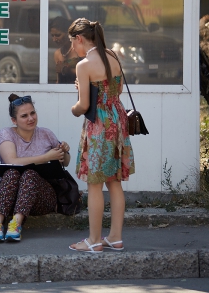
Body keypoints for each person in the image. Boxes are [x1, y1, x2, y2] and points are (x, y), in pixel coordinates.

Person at [69, 18, 135, 253]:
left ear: (79, 38)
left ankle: (94, 240)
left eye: (72, 43)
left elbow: (84, 105)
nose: (73, 49)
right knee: (114, 181)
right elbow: (111, 92)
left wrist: (74, 106)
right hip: (118, 120)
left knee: (94, 184)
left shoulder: (84, 65)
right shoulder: (113, 55)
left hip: (99, 125)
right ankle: (115, 237)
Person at [0, 94, 70, 243]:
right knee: (13, 171)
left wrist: (64, 151)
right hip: (8, 198)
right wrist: (46, 157)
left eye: (32, 113)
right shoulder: (6, 134)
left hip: (40, 198)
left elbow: (65, 162)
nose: (30, 118)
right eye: (24, 116)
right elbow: (11, 161)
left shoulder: (46, 133)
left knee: (30, 174)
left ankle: (16, 225)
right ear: (14, 120)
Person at [50, 16, 80, 84]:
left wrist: (68, 70)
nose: (54, 39)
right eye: (52, 35)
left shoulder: (78, 50)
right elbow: (59, 79)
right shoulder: (58, 53)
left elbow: (88, 73)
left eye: (58, 35)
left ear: (68, 33)